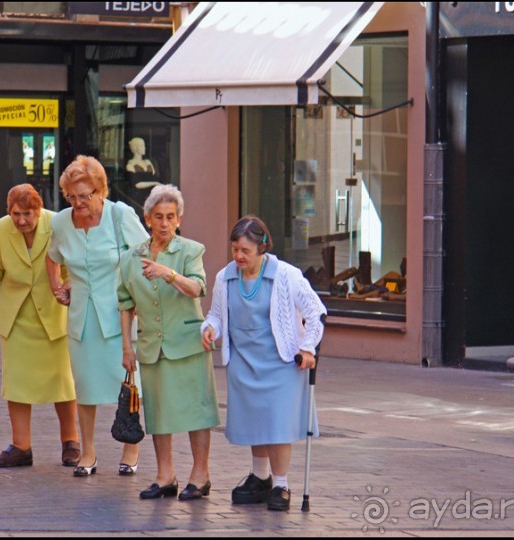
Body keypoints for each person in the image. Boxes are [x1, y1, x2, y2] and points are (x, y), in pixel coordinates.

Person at [200, 215, 326, 512]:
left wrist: (308, 347)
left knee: (277, 424)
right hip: (244, 361)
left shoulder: (286, 275)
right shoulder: (225, 277)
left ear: (262, 247)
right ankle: (260, 477)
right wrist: (209, 329)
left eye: (245, 250)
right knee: (256, 421)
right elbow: (216, 314)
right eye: (235, 249)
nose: (239, 256)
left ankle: (281, 484)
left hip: (281, 361)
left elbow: (316, 312)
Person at [46, 155, 149, 477]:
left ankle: (131, 446)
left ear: (100, 191)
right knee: (86, 387)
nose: (78, 203)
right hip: (82, 319)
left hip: (121, 316)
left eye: (85, 196)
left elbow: (146, 256)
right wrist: (57, 287)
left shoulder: (120, 216)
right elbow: (52, 258)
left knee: (130, 384)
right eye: (72, 197)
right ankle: (87, 452)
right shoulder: (61, 222)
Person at [117, 184, 220, 501]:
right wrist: (126, 347)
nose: (164, 223)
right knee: (158, 413)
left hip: (188, 342)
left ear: (179, 219)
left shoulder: (191, 251)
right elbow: (125, 304)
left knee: (196, 412)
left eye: (171, 217)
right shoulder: (130, 258)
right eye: (158, 216)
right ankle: (165, 476)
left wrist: (168, 274)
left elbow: (197, 289)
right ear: (147, 218)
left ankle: (200, 475)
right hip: (151, 346)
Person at [0, 184, 80, 468]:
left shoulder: (57, 224)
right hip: (16, 317)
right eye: (16, 214)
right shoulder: (0, 229)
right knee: (16, 384)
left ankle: (71, 441)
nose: (21, 220)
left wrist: (67, 286)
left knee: (62, 382)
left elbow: (71, 267)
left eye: (27, 214)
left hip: (53, 314)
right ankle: (21, 446)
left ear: (38, 209)